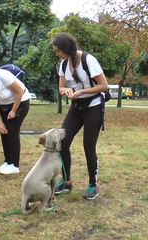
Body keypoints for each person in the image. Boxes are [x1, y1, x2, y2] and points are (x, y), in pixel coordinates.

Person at [52, 32, 108, 200]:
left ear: (66, 49)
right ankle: (67, 181)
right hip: (76, 107)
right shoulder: (63, 64)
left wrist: (82, 91)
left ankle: (93, 185)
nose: (56, 54)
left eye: (58, 51)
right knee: (63, 142)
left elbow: (103, 85)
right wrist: (66, 91)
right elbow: (61, 87)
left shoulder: (88, 60)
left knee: (88, 146)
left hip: (93, 105)